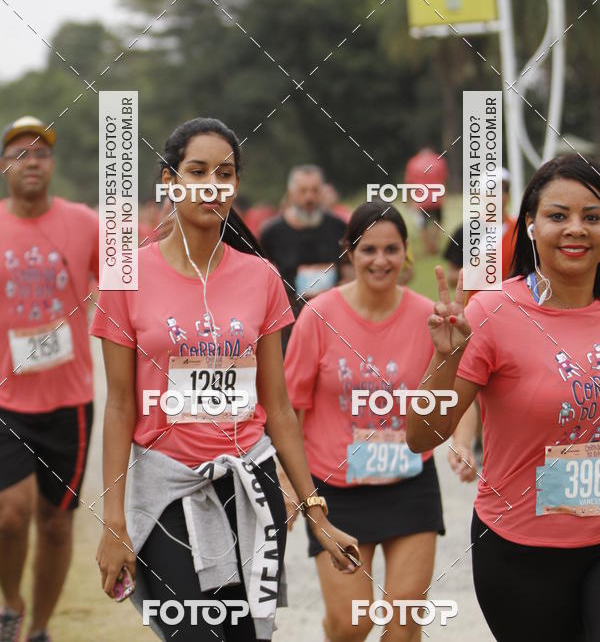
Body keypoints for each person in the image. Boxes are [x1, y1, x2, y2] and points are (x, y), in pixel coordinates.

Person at [91, 118, 359, 642]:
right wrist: (114, 521)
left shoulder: (260, 278)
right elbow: (120, 406)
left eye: (225, 173)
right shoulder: (127, 277)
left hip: (250, 486)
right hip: (168, 492)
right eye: (197, 171)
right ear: (169, 181)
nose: (212, 184)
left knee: (246, 637)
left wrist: (315, 511)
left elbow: (277, 408)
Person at [407, 154, 600, 642]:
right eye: (558, 216)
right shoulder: (495, 310)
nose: (576, 229)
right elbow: (421, 435)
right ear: (529, 225)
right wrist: (444, 360)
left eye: (592, 216)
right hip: (520, 551)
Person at [282, 200, 476, 642]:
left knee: (405, 625)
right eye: (368, 250)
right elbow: (289, 408)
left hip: (409, 484)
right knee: (353, 624)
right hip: (335, 492)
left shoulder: (430, 317)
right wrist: (291, 482)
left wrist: (462, 441)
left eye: (391, 249)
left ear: (405, 252)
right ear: (349, 252)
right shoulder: (318, 316)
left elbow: (458, 393)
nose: (380, 260)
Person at [0, 116, 99, 642]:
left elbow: (127, 281)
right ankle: (11, 604)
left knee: (56, 526)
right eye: (19, 153)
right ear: (4, 167)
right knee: (10, 517)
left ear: (52, 165)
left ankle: (38, 628)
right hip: (7, 399)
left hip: (70, 403)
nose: (31, 162)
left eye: (40, 153)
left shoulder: (84, 222)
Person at [260, 166, 347, 350]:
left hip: (334, 324)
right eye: (303, 191)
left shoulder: (339, 227)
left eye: (315, 191)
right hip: (290, 327)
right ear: (291, 194)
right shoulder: (271, 233)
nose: (309, 198)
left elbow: (350, 270)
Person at [404, 148, 448, 254]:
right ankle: (434, 243)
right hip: (436, 198)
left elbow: (408, 183)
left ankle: (428, 247)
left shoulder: (413, 162)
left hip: (421, 199)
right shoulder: (439, 160)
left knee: (423, 225)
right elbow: (444, 179)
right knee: (438, 222)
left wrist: (408, 199)